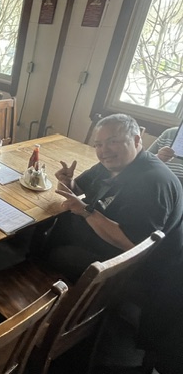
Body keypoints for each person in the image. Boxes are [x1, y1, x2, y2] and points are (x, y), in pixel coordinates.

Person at [47, 114, 183, 283]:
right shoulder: (113, 163)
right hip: (111, 236)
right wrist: (68, 182)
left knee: (57, 254)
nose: (104, 150)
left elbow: (133, 244)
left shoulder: (152, 182)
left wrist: (85, 211)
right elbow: (78, 190)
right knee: (57, 225)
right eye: (98, 144)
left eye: (113, 142)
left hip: (138, 269)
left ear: (136, 140)